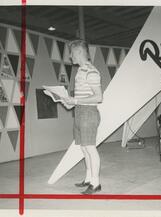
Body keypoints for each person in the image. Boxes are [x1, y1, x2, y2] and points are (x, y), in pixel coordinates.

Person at [61, 40, 103, 194]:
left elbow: (98, 97)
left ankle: (96, 183)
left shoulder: (91, 71)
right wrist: (70, 103)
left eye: (71, 53)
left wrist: (76, 101)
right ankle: (88, 179)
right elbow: (81, 96)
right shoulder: (80, 71)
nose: (70, 57)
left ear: (78, 52)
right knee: (84, 149)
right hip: (79, 112)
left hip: (88, 114)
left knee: (91, 149)